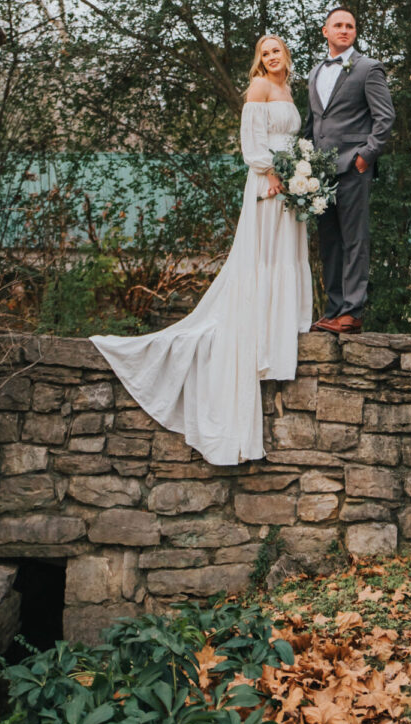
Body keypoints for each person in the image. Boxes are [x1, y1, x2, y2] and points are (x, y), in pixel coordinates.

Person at [90, 36, 312, 464]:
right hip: (269, 184)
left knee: (284, 255)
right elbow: (252, 143)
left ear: (286, 55)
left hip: (290, 184)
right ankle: (258, 325)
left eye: (276, 50)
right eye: (264, 52)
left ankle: (279, 322)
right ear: (259, 60)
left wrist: (301, 174)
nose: (271, 57)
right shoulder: (260, 89)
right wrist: (273, 174)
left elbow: (289, 138)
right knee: (264, 257)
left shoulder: (288, 91)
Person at [302, 6, 395, 336]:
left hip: (353, 168)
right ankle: (334, 309)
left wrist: (365, 157)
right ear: (325, 31)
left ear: (355, 33)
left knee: (355, 240)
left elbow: (385, 119)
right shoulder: (314, 73)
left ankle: (352, 312)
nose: (344, 30)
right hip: (319, 174)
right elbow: (315, 123)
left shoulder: (368, 69)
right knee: (330, 243)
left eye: (350, 26)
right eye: (338, 25)